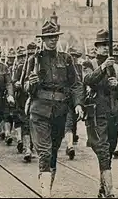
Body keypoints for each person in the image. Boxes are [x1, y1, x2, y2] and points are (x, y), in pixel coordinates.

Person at [24, 20, 84, 197]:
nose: (52, 41)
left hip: (60, 111)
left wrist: (78, 104)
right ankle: (46, 192)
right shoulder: (34, 59)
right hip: (40, 111)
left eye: (55, 37)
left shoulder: (66, 59)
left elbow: (75, 84)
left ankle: (46, 185)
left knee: (54, 152)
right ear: (43, 39)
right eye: (49, 38)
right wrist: (31, 83)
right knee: (45, 151)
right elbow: (24, 86)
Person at [82, 29, 118, 198]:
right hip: (97, 112)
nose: (104, 49)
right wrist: (102, 68)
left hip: (115, 113)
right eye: (101, 46)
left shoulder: (117, 66)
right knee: (102, 149)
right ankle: (109, 191)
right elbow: (87, 80)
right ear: (96, 47)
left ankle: (102, 187)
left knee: (110, 150)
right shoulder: (89, 64)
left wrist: (117, 85)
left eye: (107, 46)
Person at [65, 46, 83, 160]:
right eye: (72, 56)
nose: (74, 58)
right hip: (66, 99)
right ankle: (69, 145)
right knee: (68, 122)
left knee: (74, 121)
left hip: (78, 98)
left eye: (75, 56)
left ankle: (72, 137)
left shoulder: (81, 68)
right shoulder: (65, 68)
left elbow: (80, 84)